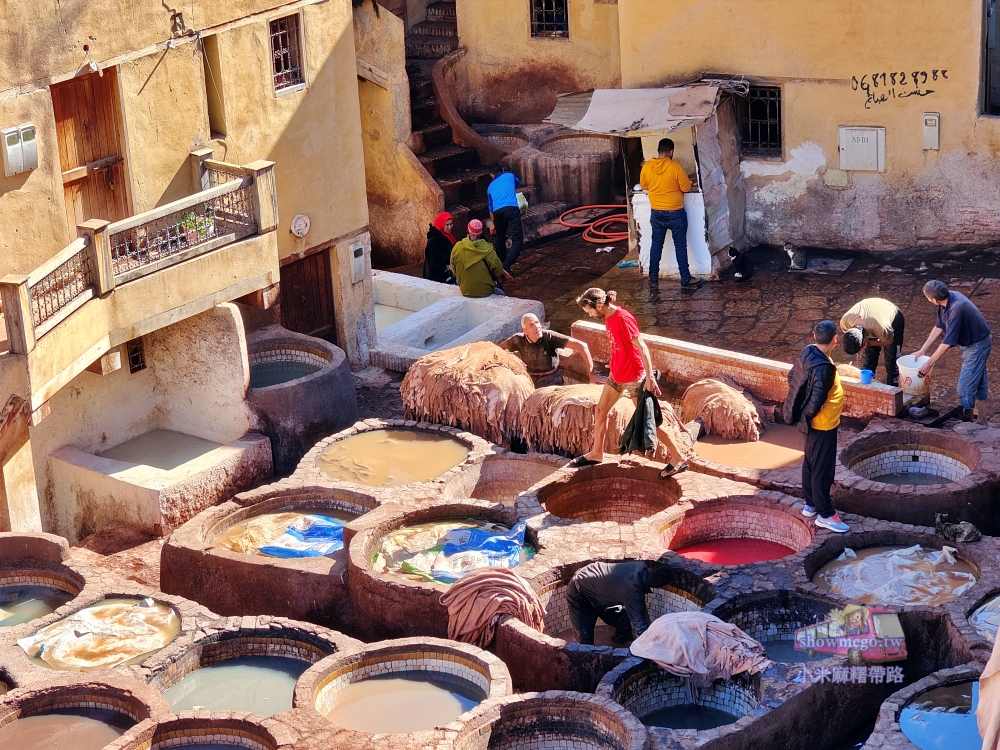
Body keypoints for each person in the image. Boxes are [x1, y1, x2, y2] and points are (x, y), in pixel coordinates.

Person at [572, 287, 688, 478]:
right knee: (600, 411)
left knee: (648, 422)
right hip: (616, 375)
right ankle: (596, 453)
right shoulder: (608, 317)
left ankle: (679, 457)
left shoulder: (624, 318)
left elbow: (642, 347)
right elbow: (619, 345)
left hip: (634, 378)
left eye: (590, 311)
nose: (590, 315)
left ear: (599, 305)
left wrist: (650, 377)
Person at [784, 320, 850, 533]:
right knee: (823, 469)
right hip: (822, 426)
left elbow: (791, 376)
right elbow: (815, 402)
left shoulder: (808, 352)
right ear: (835, 340)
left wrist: (803, 417)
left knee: (811, 463)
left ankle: (810, 505)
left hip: (812, 424)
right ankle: (825, 514)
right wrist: (808, 415)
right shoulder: (825, 369)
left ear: (814, 336)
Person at [913, 279, 993, 424]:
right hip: (974, 342)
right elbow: (939, 326)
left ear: (933, 299)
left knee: (965, 387)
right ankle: (982, 420)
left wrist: (929, 363)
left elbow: (947, 343)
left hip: (977, 345)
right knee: (979, 381)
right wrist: (923, 350)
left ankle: (968, 424)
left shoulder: (957, 308)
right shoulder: (946, 301)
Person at [639, 138, 701, 291]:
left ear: (658, 151)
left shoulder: (646, 167)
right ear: (671, 152)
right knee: (680, 246)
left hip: (656, 213)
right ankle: (685, 278)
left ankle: (653, 278)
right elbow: (686, 187)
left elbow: (644, 185)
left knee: (656, 245)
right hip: (675, 213)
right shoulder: (675, 167)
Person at [567, 560, 652, 646]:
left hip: (601, 594)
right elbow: (641, 627)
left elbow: (641, 613)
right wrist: (647, 650)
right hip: (579, 593)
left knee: (623, 617)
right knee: (584, 644)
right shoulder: (632, 590)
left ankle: (620, 641)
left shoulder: (641, 567)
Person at [501, 313, 595, 387]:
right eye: (531, 325)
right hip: (530, 379)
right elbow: (498, 348)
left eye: (537, 322)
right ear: (525, 331)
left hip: (552, 379)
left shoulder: (550, 337)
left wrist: (592, 374)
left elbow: (582, 346)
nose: (536, 327)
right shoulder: (518, 340)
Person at [839, 297, 905, 386]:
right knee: (868, 363)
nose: (861, 351)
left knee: (892, 364)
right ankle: (868, 388)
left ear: (864, 340)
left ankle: (893, 389)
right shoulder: (845, 323)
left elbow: (889, 341)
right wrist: (868, 344)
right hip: (870, 320)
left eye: (860, 349)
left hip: (893, 318)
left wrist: (871, 343)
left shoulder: (880, 328)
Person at [450, 219, 512, 298]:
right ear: (481, 232)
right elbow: (498, 271)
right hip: (485, 292)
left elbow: (454, 270)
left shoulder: (457, 247)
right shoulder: (488, 249)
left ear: (468, 230)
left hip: (465, 290)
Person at [487, 163, 524, 274]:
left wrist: (493, 224)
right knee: (517, 239)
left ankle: (502, 267)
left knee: (500, 239)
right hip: (512, 209)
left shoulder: (489, 188)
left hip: (498, 213)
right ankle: (506, 264)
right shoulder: (510, 175)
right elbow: (518, 183)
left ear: (491, 175)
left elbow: (490, 209)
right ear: (502, 170)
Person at [423, 211, 456, 284]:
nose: (449, 227)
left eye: (451, 224)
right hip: (439, 278)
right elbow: (434, 262)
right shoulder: (435, 240)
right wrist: (447, 268)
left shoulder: (447, 235)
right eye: (447, 225)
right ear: (441, 224)